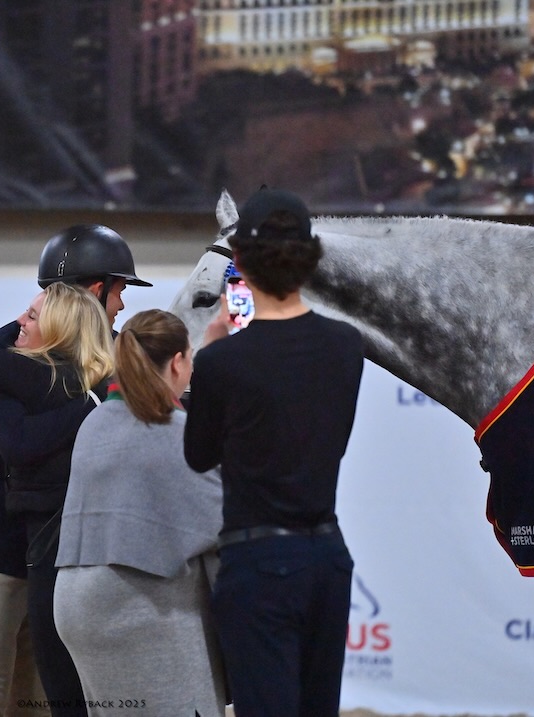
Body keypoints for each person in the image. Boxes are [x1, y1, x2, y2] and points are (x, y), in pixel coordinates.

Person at [0, 225, 148, 717]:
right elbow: (19, 447)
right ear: (96, 290)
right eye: (119, 290)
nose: (121, 304)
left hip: (55, 557)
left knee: (32, 702)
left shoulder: (115, 360)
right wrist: (96, 401)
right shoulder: (8, 360)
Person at [183, 187, 364, 717]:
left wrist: (209, 356)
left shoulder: (222, 363)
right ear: (311, 260)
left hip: (258, 562)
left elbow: (198, 455)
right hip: (327, 558)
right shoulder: (345, 344)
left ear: (238, 263)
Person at [53, 309, 226, 717]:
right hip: (133, 607)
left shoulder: (96, 420)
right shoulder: (174, 432)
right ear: (180, 362)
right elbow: (230, 516)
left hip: (75, 604)